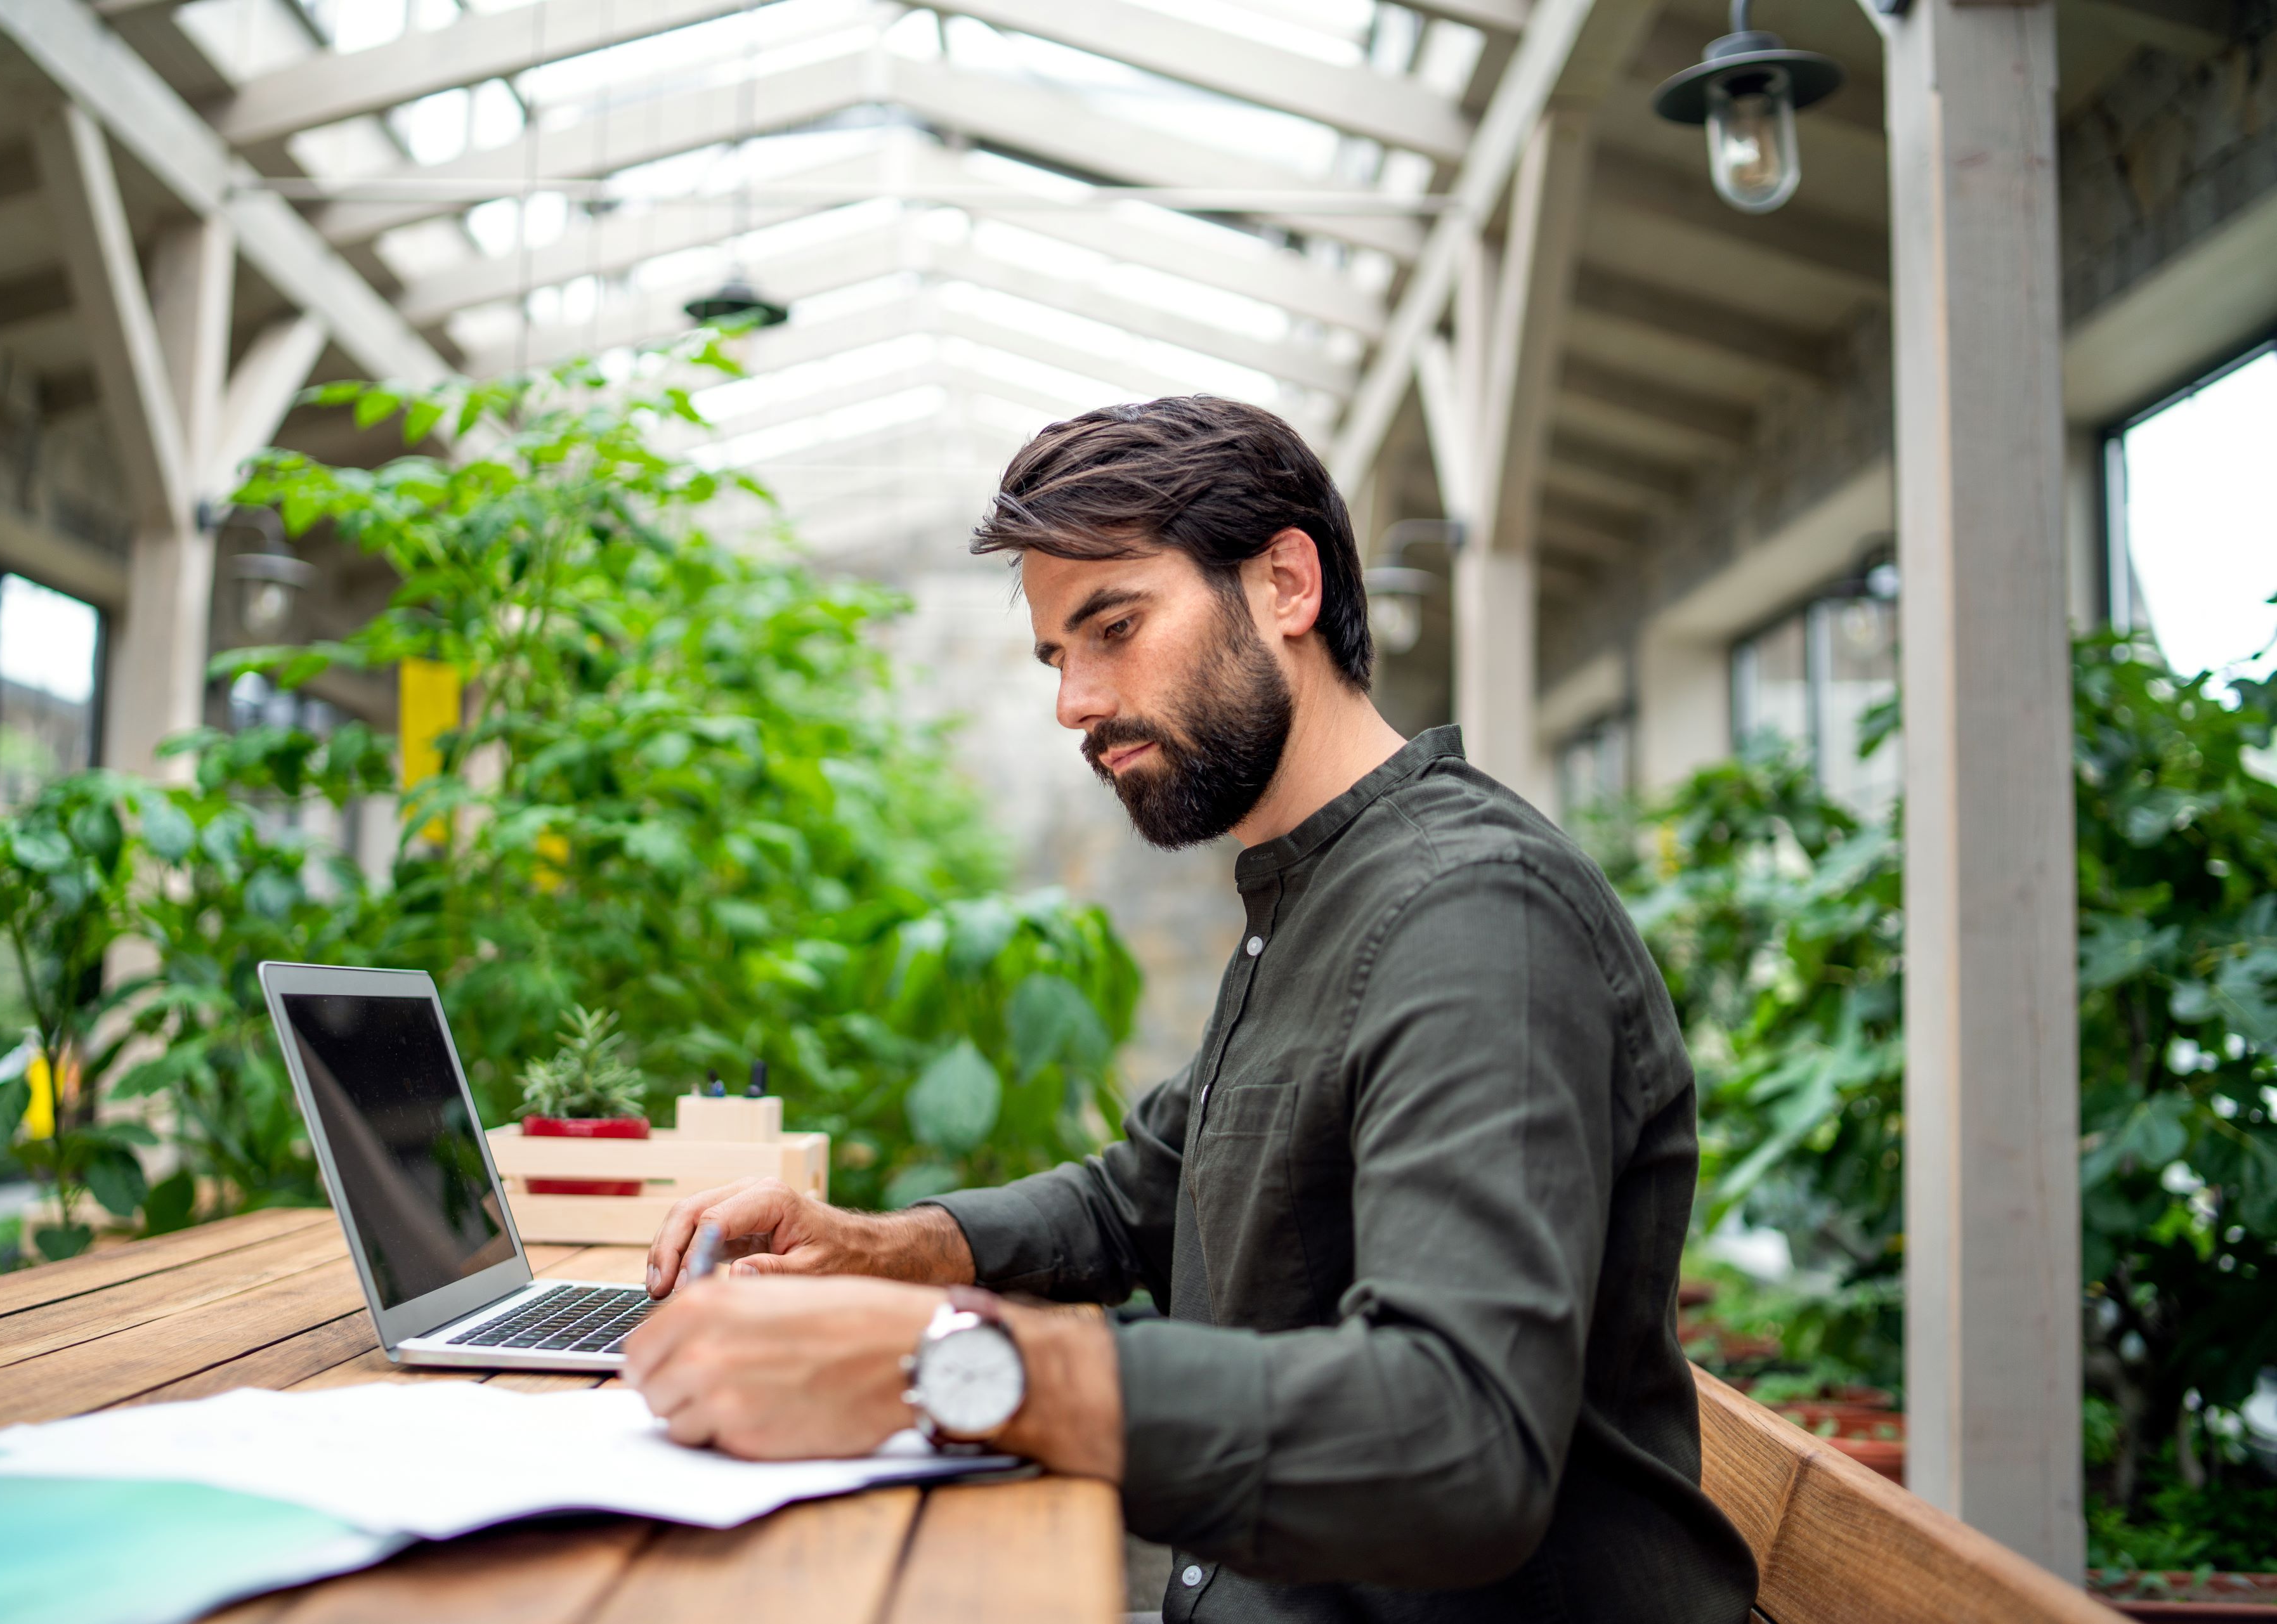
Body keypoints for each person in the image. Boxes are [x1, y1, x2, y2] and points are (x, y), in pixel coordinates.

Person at [624, 396, 1759, 1622]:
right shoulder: (1318, 892)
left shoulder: (1474, 917)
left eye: (1115, 625)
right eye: (1060, 655)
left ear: (1285, 584)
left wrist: (943, 1366)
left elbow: (1458, 1437)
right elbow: (1138, 1196)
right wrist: (872, 1245)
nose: (1075, 701)